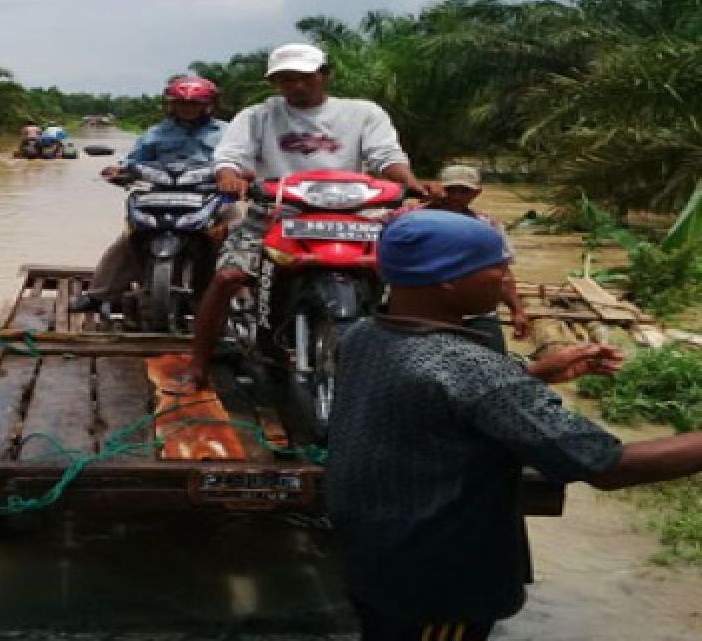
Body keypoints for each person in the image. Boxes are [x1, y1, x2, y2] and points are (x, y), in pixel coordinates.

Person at [325, 209, 702, 640]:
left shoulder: (363, 336)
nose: (507, 280)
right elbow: (607, 466)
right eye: (497, 267)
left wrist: (532, 372)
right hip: (437, 582)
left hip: (377, 555)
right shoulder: (474, 369)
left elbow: (436, 396)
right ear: (448, 281)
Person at [180, 42, 429, 391]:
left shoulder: (363, 113)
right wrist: (229, 175)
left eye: (304, 77)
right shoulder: (258, 116)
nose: (295, 85)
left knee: (410, 276)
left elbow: (385, 155)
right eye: (285, 79)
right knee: (228, 276)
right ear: (275, 83)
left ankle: (410, 359)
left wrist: (408, 181)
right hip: (277, 212)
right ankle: (198, 365)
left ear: (324, 76)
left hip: (355, 215)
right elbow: (231, 155)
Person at [69, 75, 230, 312]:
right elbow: (134, 160)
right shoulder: (155, 133)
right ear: (171, 105)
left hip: (213, 195)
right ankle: (99, 293)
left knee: (236, 233)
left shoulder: (227, 132)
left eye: (194, 104)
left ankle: (242, 298)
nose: (187, 109)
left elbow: (240, 159)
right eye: (181, 103)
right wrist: (119, 170)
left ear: (208, 106)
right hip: (159, 194)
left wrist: (240, 177)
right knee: (130, 236)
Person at [425, 164, 529, 351]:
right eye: (451, 190)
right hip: (426, 313)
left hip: (476, 312)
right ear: (439, 189)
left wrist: (518, 311)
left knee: (496, 367)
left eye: (463, 191)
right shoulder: (414, 222)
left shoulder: (488, 226)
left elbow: (503, 273)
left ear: (476, 193)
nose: (456, 196)